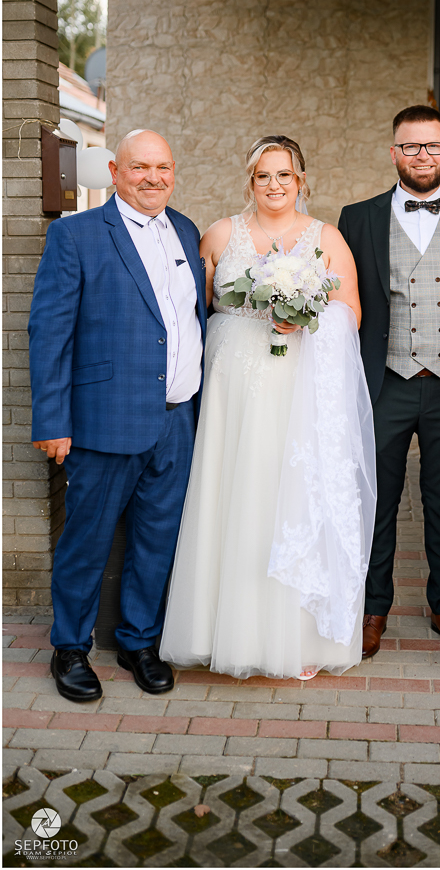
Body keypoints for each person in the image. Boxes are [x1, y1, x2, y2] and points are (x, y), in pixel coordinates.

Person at [160, 135, 375, 680]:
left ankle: (294, 637)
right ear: (250, 181)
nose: (274, 185)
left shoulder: (326, 237)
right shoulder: (219, 234)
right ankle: (221, 631)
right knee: (232, 494)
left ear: (300, 181)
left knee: (289, 497)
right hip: (232, 389)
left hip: (297, 387)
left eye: (284, 175)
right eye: (263, 176)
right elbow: (194, 307)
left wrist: (304, 315)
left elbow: (351, 311)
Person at [28, 130, 207, 702]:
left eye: (163, 167)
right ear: (114, 171)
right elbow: (49, 332)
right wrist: (52, 421)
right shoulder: (75, 235)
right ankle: (70, 647)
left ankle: (139, 642)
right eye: (139, 167)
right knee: (87, 539)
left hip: (177, 419)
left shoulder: (186, 230)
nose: (153, 178)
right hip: (104, 420)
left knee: (158, 538)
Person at [338, 105, 440, 659]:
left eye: (432, 146)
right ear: (394, 153)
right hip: (384, 381)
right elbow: (340, 294)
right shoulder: (357, 218)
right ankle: (373, 608)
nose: (422, 155)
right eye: (411, 146)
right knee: (375, 499)